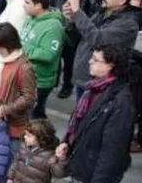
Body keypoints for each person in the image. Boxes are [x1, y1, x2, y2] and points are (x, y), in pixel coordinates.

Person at [56, 44, 135, 183]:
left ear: (110, 65)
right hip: (80, 164)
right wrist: (67, 142)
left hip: (92, 173)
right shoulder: (93, 88)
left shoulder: (121, 102)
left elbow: (112, 150)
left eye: (95, 59)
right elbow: (79, 123)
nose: (89, 61)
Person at [62, 0, 140, 100]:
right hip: (85, 76)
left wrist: (78, 12)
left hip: (103, 82)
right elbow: (80, 37)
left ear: (122, 0)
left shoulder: (128, 24)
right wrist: (71, 20)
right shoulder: (101, 14)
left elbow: (97, 40)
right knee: (79, 115)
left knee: (90, 116)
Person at [0, 23, 36, 157]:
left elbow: (28, 98)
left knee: (8, 163)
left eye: (0, 46)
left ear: (10, 44)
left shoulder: (24, 67)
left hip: (13, 126)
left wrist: (4, 110)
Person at [20, 0, 65, 119]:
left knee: (34, 115)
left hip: (40, 80)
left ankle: (38, 136)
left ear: (38, 5)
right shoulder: (30, 18)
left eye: (27, 3)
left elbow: (48, 55)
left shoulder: (53, 26)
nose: (24, 5)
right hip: (26, 75)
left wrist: (21, 48)